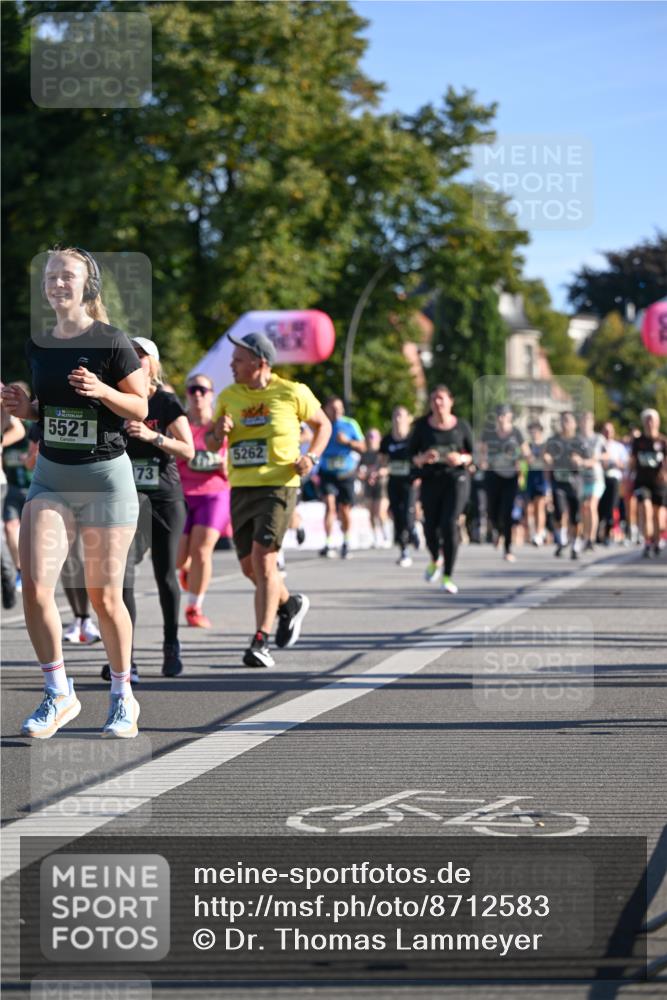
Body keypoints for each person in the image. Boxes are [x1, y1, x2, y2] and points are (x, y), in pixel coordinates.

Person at [2, 246, 147, 739]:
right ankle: (59, 691)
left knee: (104, 597)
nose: (57, 283)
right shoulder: (39, 344)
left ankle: (123, 696)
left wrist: (103, 390)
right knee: (36, 587)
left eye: (67, 275)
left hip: (105, 478)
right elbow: (47, 409)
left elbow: (140, 407)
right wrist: (25, 407)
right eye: (51, 276)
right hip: (52, 476)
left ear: (88, 285)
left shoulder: (112, 341)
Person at [208, 332, 331, 667]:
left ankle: (260, 641)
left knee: (264, 561)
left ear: (259, 362)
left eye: (238, 359)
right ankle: (289, 604)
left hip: (279, 485)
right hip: (241, 486)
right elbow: (210, 442)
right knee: (249, 567)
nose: (231, 365)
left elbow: (324, 425)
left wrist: (311, 458)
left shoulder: (293, 392)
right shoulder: (229, 396)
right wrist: (218, 431)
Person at [101, 337, 194, 680]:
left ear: (153, 365)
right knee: (122, 576)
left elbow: (188, 450)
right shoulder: (116, 399)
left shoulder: (165, 402)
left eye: (141, 356)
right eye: (131, 355)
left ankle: (171, 645)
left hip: (165, 499)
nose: (135, 360)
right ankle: (126, 658)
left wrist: (151, 435)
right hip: (126, 500)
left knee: (165, 574)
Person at [176, 372, 230, 628]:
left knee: (202, 550)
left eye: (203, 390)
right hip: (182, 493)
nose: (197, 394)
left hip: (214, 493)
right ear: (187, 395)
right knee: (177, 559)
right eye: (192, 390)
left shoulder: (221, 425)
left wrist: (226, 464)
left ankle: (194, 607)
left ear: (211, 395)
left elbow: (234, 455)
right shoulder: (178, 423)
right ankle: (187, 569)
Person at [409, 385, 473, 593]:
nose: (437, 403)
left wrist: (461, 458)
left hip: (456, 479)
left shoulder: (461, 426)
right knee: (430, 527)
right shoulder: (422, 427)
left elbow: (473, 455)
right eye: (434, 399)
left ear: (450, 401)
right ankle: (435, 558)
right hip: (431, 480)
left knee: (449, 523)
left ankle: (447, 576)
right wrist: (423, 458)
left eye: (441, 398)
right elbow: (411, 456)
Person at [317, 396, 365, 559]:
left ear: (343, 409)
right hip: (327, 472)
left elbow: (363, 446)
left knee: (344, 509)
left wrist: (348, 442)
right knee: (329, 506)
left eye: (338, 408)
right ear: (326, 409)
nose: (336, 411)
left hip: (346, 472)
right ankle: (328, 542)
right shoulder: (322, 424)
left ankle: (346, 541)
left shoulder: (350, 424)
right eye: (332, 408)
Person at [479, 405, 528, 563]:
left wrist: (522, 460)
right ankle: (497, 531)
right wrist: (482, 461)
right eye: (498, 415)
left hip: (510, 477)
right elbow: (481, 451)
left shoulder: (516, 433)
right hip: (492, 475)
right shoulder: (488, 433)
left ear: (510, 416)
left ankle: (507, 548)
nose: (501, 418)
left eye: (504, 415)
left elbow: (525, 452)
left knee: (507, 512)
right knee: (492, 511)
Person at [543, 411, 588, 560]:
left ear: (574, 424)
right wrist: (547, 458)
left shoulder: (579, 441)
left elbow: (590, 460)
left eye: (568, 421)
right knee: (559, 511)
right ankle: (562, 540)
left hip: (575, 482)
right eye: (563, 421)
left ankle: (575, 544)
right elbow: (546, 456)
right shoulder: (553, 440)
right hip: (558, 481)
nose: (565, 424)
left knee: (576, 517)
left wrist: (580, 461)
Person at [380, 405, 417, 567]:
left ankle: (413, 529)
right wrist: (378, 471)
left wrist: (419, 474)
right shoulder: (387, 440)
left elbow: (420, 458)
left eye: (401, 415)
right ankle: (404, 550)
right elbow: (381, 462)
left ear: (408, 419)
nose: (397, 419)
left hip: (410, 482)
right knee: (397, 515)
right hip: (393, 482)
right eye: (395, 415)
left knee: (408, 515)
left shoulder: (413, 439)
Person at [631, 408, 666, 558]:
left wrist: (665, 473)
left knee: (657, 515)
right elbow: (632, 461)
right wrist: (628, 477)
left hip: (658, 483)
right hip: (642, 481)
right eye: (647, 420)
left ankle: (657, 541)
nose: (650, 423)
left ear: (657, 422)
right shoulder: (638, 442)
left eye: (652, 420)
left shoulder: (663, 441)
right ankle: (647, 542)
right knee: (646, 509)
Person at [359, 428, 390, 548]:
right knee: (371, 514)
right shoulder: (364, 454)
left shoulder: (383, 453)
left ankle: (386, 536)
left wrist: (380, 472)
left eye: (374, 437)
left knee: (380, 512)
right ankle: (375, 537)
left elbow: (389, 468)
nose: (371, 439)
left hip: (382, 486)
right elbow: (359, 470)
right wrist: (363, 474)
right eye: (369, 436)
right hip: (369, 486)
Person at [579, 411, 605, 551]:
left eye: (588, 420)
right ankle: (585, 536)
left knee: (591, 506)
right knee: (584, 508)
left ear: (592, 422)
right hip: (581, 478)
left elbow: (606, 454)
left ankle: (591, 538)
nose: (585, 423)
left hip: (596, 477)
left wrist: (595, 459)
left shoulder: (598, 438)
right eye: (583, 420)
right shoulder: (577, 439)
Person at [598, 421, 628, 545]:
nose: (608, 433)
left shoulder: (618, 447)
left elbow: (625, 464)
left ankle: (607, 534)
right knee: (599, 507)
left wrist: (615, 463)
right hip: (599, 478)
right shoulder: (598, 445)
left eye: (610, 431)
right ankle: (597, 534)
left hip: (613, 479)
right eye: (605, 430)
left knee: (611, 507)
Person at [525, 421, 549, 546]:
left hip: (542, 475)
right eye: (531, 431)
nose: (533, 434)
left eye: (535, 431)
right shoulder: (528, 445)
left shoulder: (546, 445)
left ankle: (539, 533)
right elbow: (526, 460)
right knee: (531, 507)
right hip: (531, 475)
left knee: (540, 505)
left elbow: (548, 461)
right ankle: (535, 531)